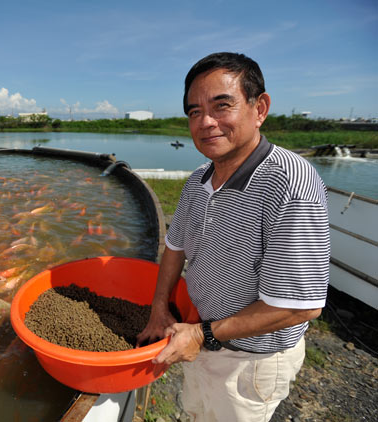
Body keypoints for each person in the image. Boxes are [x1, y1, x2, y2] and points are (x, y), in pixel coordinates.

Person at [137, 52, 330, 421]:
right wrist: (159, 309)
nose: (206, 122)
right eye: (194, 112)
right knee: (196, 413)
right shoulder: (198, 181)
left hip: (250, 360)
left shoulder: (290, 184)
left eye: (221, 106)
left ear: (260, 108)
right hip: (204, 335)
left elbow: (299, 305)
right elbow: (174, 249)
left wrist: (200, 335)